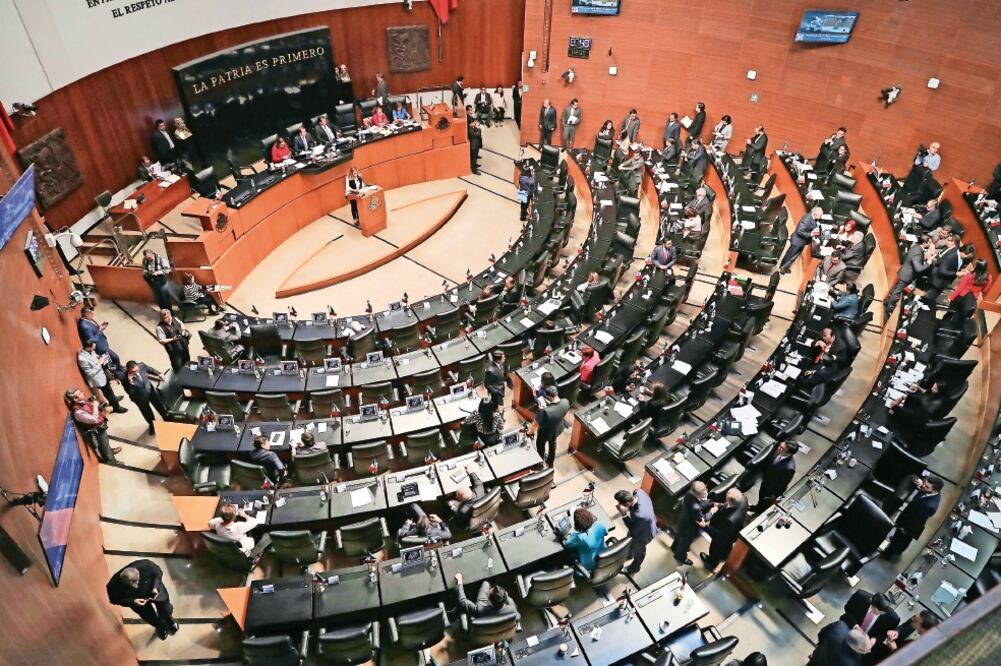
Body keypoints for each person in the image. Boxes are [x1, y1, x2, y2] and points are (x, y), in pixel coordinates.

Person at [107, 560, 177, 640]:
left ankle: (168, 620)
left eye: (136, 581)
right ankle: (160, 627)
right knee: (150, 617)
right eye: (131, 584)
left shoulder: (145, 565)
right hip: (137, 601)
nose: (135, 586)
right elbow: (114, 599)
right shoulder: (113, 585)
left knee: (166, 609)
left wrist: (155, 587)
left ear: (138, 573)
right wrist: (132, 601)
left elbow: (158, 572)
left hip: (154, 590)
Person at [881, 475, 943, 558]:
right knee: (897, 537)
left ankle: (888, 555)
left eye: (926, 486)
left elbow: (916, 521)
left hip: (910, 525)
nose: (923, 486)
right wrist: (919, 481)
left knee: (900, 541)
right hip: (908, 515)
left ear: (934, 490)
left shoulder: (930, 506)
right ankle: (893, 546)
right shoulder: (930, 490)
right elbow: (917, 479)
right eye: (924, 483)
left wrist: (904, 529)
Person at [863, 610, 939, 665]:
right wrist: (896, 632)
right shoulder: (915, 619)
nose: (912, 619)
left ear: (923, 629)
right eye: (914, 616)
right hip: (880, 653)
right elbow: (903, 626)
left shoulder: (927, 649)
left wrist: (894, 649)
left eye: (915, 620)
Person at [66, 388, 121, 462]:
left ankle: (110, 451)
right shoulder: (78, 412)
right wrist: (95, 406)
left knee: (105, 443)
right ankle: (112, 461)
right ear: (75, 399)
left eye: (81, 391)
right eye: (79, 394)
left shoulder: (83, 402)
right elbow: (93, 420)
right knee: (103, 446)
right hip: (96, 430)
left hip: (100, 426)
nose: (82, 393)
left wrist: (93, 404)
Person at [117, 360, 169, 435]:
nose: (136, 372)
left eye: (137, 370)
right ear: (128, 370)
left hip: (150, 391)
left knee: (160, 405)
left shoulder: (141, 365)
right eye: (133, 371)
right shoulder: (123, 377)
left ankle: (166, 419)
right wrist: (131, 382)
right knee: (147, 412)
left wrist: (159, 373)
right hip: (139, 398)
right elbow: (130, 393)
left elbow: (151, 369)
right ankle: (152, 424)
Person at [701, 487, 748, 570]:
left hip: (723, 535)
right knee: (727, 546)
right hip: (733, 531)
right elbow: (728, 505)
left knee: (717, 549)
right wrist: (721, 506)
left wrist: (704, 526)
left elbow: (719, 535)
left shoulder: (730, 520)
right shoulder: (744, 499)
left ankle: (712, 563)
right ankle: (723, 555)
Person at [614, 488, 658, 575]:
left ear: (627, 503)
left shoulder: (640, 515)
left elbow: (632, 528)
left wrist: (623, 514)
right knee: (630, 541)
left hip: (644, 534)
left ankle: (635, 568)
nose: (618, 505)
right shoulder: (638, 492)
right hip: (640, 524)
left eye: (619, 503)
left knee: (639, 552)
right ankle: (629, 554)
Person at [885, 235, 933, 314]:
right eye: (929, 243)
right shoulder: (918, 252)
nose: (930, 244)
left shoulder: (916, 246)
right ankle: (889, 309)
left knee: (895, 290)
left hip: (904, 271)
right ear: (924, 243)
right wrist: (928, 264)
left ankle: (888, 302)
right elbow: (918, 268)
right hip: (907, 275)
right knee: (897, 292)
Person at [748, 440, 798, 513]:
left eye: (782, 448)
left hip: (770, 490)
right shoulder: (779, 451)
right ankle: (757, 507)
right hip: (766, 481)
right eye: (780, 446)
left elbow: (783, 485)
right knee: (761, 498)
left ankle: (759, 511)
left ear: (789, 453)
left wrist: (773, 497)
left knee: (764, 503)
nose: (778, 448)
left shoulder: (789, 468)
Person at [77, 339, 126, 413]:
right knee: (109, 392)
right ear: (88, 347)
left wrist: (99, 356)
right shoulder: (82, 359)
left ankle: (113, 399)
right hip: (97, 379)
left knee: (109, 390)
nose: (94, 349)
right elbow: (90, 373)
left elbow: (94, 355)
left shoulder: (89, 350)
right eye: (93, 348)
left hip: (102, 374)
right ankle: (116, 407)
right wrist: (100, 363)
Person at [672, 481, 715, 565]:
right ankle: (680, 557)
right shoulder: (695, 508)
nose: (706, 492)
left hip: (683, 519)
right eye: (703, 493)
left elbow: (701, 503)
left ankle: (674, 547)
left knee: (679, 535)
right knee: (685, 543)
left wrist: (711, 503)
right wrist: (712, 512)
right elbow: (702, 519)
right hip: (689, 527)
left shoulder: (690, 493)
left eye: (706, 489)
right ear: (697, 494)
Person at [531, 385, 570, 466]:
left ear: (548, 396)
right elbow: (563, 413)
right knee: (552, 444)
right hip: (556, 429)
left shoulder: (545, 411)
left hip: (545, 432)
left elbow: (539, 422)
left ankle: (540, 462)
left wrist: (541, 410)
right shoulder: (565, 402)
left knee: (540, 447)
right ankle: (550, 461)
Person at [562, 507, 609, 574]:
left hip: (589, 566)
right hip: (604, 556)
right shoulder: (600, 524)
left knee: (567, 553)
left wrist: (567, 536)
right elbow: (606, 533)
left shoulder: (577, 537)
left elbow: (567, 545)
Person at [454, 574, 519, 619]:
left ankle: (486, 582)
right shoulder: (512, 609)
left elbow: (462, 601)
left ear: (488, 598)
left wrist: (459, 581)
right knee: (486, 583)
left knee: (486, 583)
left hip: (484, 612)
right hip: (498, 631)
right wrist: (504, 596)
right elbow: (518, 617)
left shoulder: (480, 609)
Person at [808, 621, 874, 666]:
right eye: (866, 650)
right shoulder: (851, 662)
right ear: (856, 649)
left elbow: (821, 634)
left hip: (817, 658)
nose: (869, 651)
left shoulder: (840, 626)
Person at [780, 206, 823, 273]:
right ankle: (782, 268)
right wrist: (811, 234)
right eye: (820, 215)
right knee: (790, 255)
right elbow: (799, 231)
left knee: (793, 255)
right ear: (815, 213)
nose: (821, 216)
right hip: (797, 241)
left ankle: (785, 266)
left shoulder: (812, 217)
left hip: (801, 241)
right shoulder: (806, 219)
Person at [922, 233, 961, 304]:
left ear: (954, 243)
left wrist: (933, 259)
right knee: (925, 293)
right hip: (934, 275)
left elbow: (943, 265)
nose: (947, 241)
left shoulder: (954, 254)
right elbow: (940, 256)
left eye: (949, 240)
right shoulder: (948, 248)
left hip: (939, 281)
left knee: (928, 299)